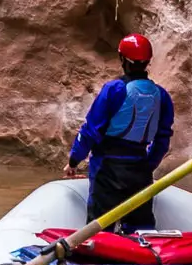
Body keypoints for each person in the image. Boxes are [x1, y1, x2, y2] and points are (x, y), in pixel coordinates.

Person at [65, 33, 176, 230]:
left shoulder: (114, 89)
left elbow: (90, 131)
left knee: (99, 230)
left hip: (107, 168)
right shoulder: (162, 96)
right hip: (140, 169)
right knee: (141, 229)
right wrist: (147, 166)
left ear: (122, 59)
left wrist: (74, 160)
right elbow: (162, 140)